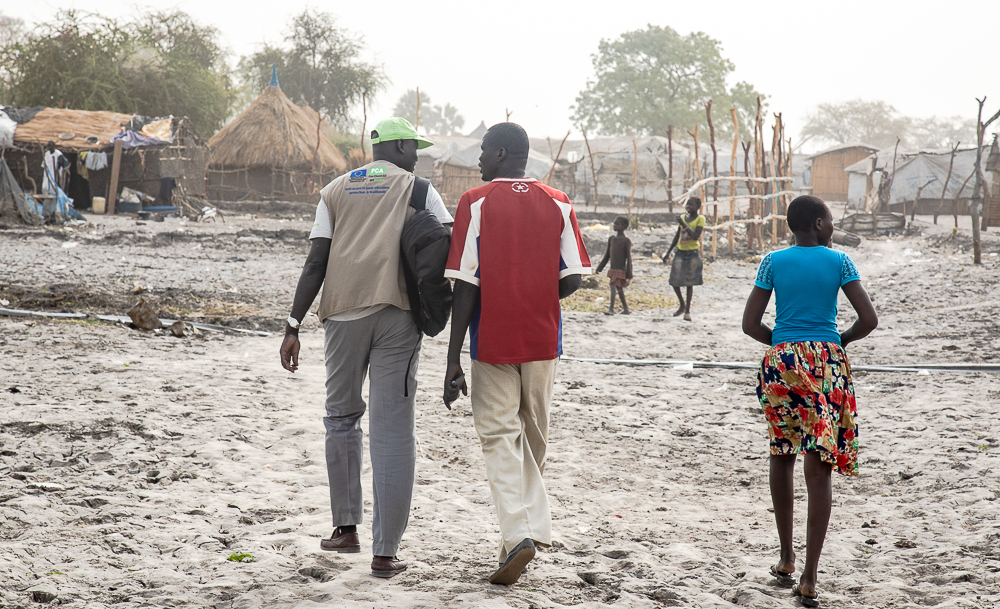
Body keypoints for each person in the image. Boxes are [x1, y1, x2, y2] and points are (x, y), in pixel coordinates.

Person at [279, 117, 452, 579]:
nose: (417, 155)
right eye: (413, 146)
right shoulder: (419, 190)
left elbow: (317, 259)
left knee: (340, 420)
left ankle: (345, 529)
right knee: (393, 432)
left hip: (341, 317)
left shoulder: (334, 190)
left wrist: (293, 324)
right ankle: (385, 554)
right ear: (396, 146)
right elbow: (446, 249)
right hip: (398, 317)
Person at [442, 122, 590, 585]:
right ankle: (515, 537)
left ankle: (519, 533)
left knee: (498, 436)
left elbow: (465, 287)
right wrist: (537, 298)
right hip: (543, 340)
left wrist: (452, 358)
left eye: (484, 152)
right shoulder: (559, 202)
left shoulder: (475, 202)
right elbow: (574, 277)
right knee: (533, 437)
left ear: (502, 153)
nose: (480, 160)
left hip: (493, 341)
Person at [741, 195, 878, 607]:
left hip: (782, 363)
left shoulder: (772, 262)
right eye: (831, 221)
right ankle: (810, 578)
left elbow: (750, 324)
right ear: (819, 224)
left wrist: (784, 344)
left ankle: (785, 558)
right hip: (827, 364)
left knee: (781, 454)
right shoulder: (839, 263)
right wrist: (839, 340)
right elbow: (868, 319)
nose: (833, 227)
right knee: (819, 470)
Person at [662, 196, 705, 321]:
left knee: (689, 282)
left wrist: (683, 224)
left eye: (691, 205)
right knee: (674, 280)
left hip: (692, 253)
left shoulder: (700, 219)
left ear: (697, 207)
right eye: (687, 205)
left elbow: (695, 236)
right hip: (680, 252)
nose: (688, 207)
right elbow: (677, 236)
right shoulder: (683, 217)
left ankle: (687, 311)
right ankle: (682, 304)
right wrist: (668, 252)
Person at [595, 215, 633, 315]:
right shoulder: (612, 239)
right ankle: (626, 309)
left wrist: (629, 272)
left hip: (620, 270)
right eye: (614, 223)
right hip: (613, 269)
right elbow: (607, 255)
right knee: (619, 289)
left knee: (613, 286)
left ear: (624, 226)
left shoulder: (626, 241)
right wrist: (600, 267)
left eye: (617, 224)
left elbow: (629, 258)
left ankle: (611, 309)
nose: (614, 225)